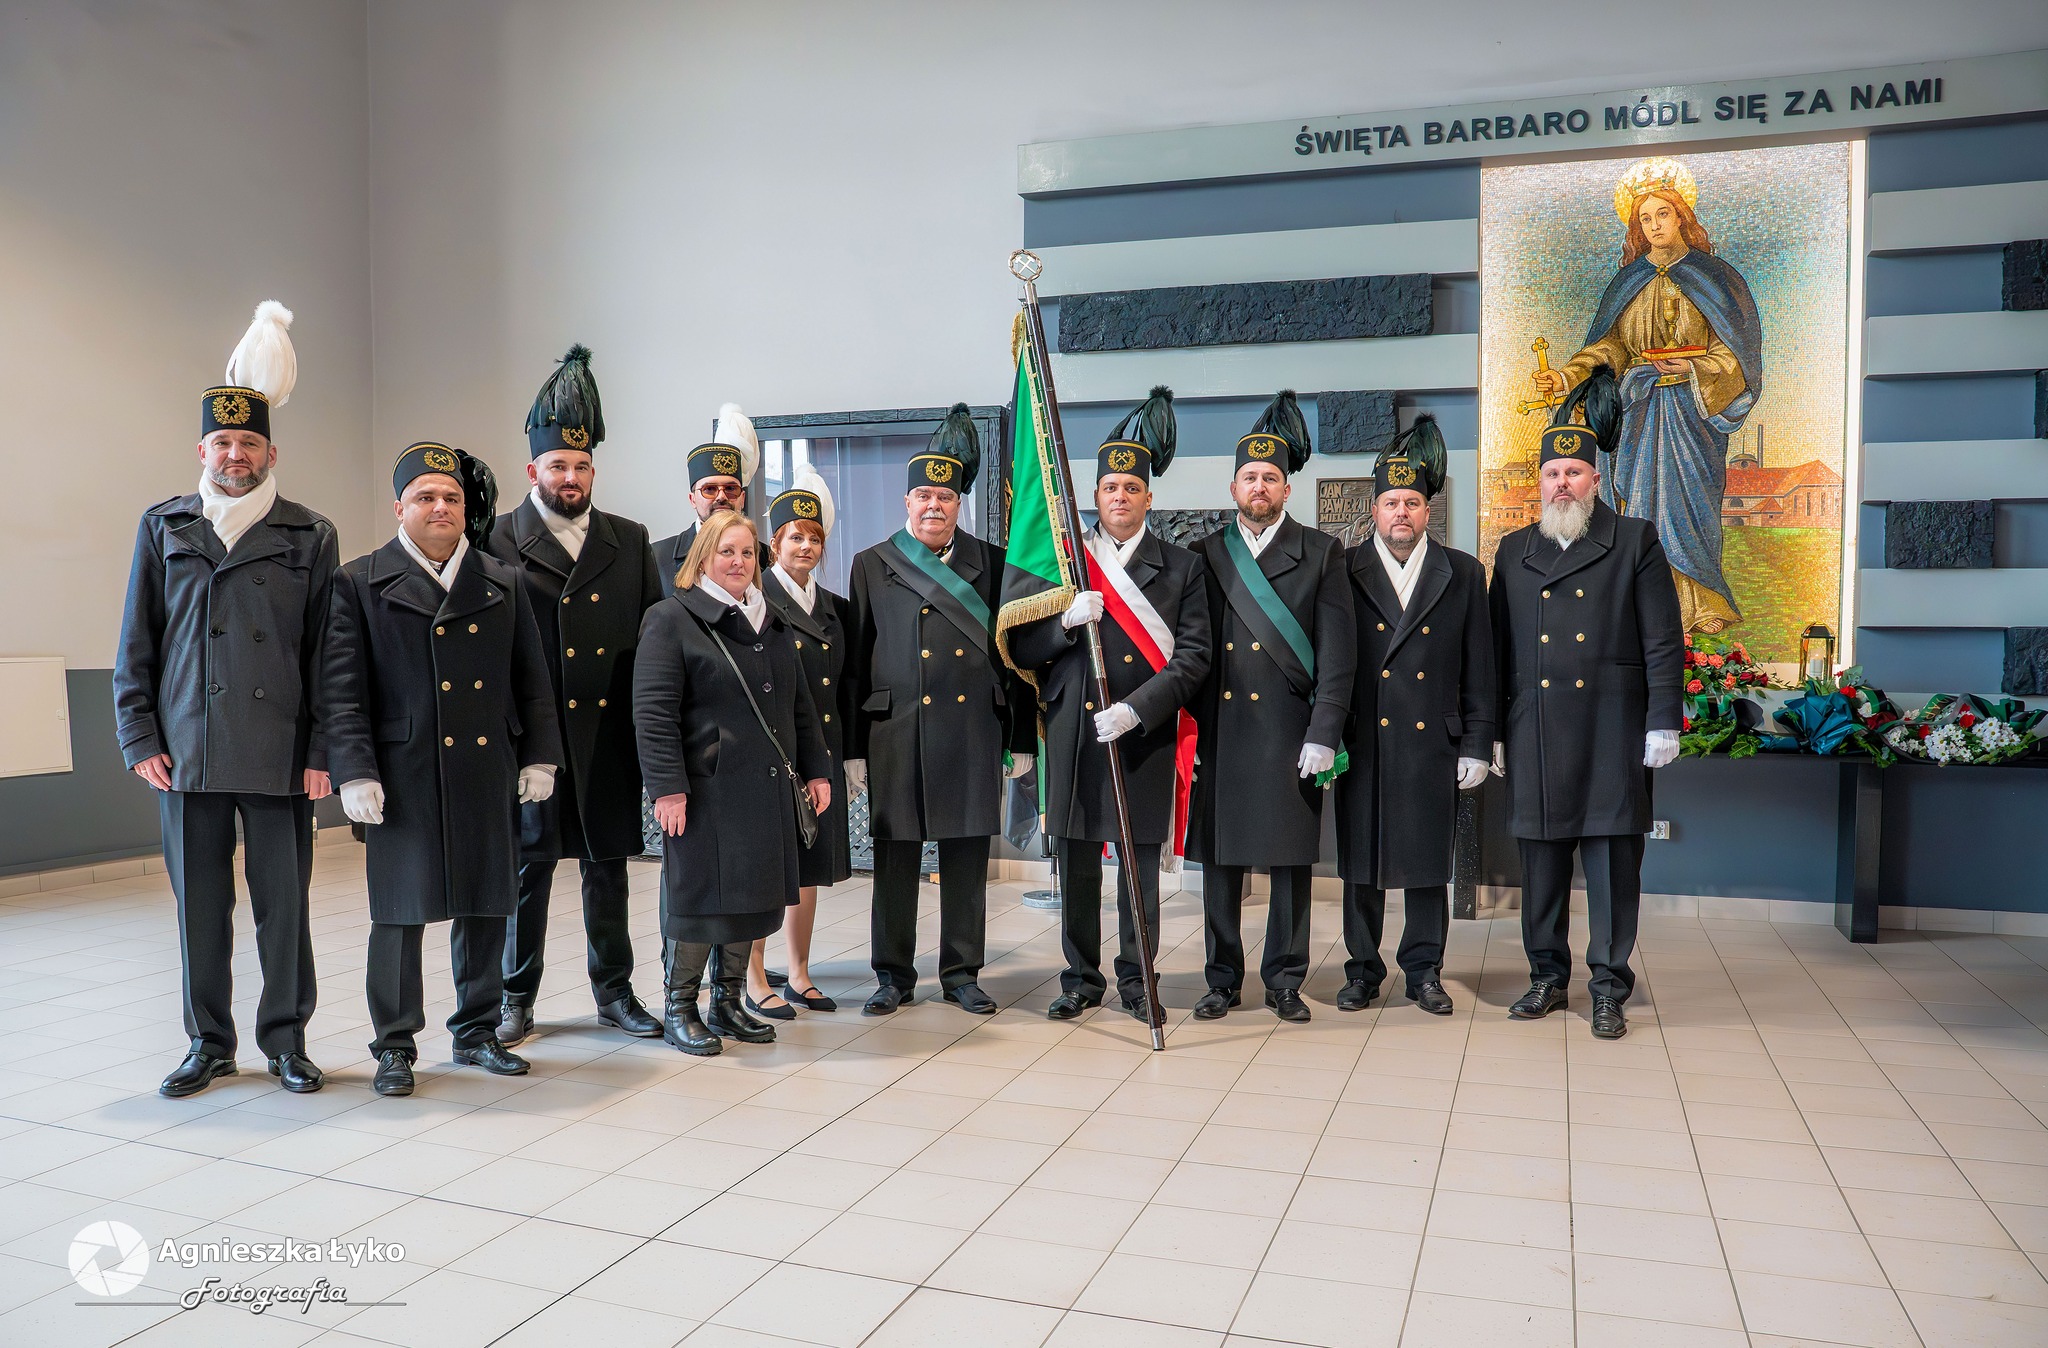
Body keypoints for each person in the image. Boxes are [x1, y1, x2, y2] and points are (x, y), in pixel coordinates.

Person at [115, 302, 336, 1098]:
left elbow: (329, 654)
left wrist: (324, 751)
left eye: (249, 443)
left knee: (284, 910)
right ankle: (208, 1044)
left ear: (271, 452)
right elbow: (136, 639)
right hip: (187, 749)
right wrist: (139, 736)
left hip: (281, 751)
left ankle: (286, 1042)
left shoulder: (310, 534)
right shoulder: (162, 525)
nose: (235, 455)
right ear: (202, 450)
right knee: (199, 910)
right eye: (223, 442)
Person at [325, 443, 563, 1095]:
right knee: (399, 913)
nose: (440, 507)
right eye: (425, 496)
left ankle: (477, 1030)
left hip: (485, 768)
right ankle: (394, 1044)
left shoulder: (503, 580)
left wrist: (540, 755)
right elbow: (342, 689)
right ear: (398, 507)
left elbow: (532, 679)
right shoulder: (358, 581)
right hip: (400, 774)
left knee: (486, 904)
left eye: (451, 497)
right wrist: (354, 771)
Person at [1489, 371, 1684, 1040]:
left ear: (1596, 479)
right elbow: (1495, 651)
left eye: (1574, 472)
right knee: (1540, 867)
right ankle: (1547, 978)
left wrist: (1663, 720)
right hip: (1536, 728)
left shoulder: (1634, 540)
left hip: (1611, 729)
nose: (1563, 483)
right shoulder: (1513, 551)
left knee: (1611, 867)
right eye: (1552, 473)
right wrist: (1491, 731)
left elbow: (1663, 640)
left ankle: (1608, 987)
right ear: (1539, 483)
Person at [1006, 388, 1210, 1023]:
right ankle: (1080, 979)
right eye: (1109, 487)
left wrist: (1138, 710)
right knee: (1076, 862)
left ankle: (1137, 979)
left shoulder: (1181, 567)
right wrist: (1064, 621)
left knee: (1137, 868)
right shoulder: (1065, 563)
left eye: (1131, 487)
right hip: (1073, 728)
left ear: (1149, 497)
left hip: (1142, 733)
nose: (1119, 497)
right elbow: (1021, 647)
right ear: (1095, 496)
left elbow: (1194, 657)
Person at [487, 346, 663, 1046]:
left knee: (608, 869)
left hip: (607, 739)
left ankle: (614, 992)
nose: (570, 476)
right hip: (531, 739)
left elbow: (652, 646)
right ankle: (514, 997)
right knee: (526, 873)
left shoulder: (629, 539)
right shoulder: (496, 539)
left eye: (581, 465)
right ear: (533, 469)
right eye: (557, 464)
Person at [845, 404, 1035, 1016]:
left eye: (945, 497)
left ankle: (961, 973)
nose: (934, 506)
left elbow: (1015, 656)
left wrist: (1021, 738)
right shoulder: (873, 563)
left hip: (971, 729)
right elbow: (856, 661)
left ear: (959, 503)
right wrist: (852, 747)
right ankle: (892, 975)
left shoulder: (994, 562)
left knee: (965, 858)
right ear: (907, 502)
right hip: (895, 731)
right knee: (895, 860)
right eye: (923, 496)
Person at [1528, 157, 1763, 636]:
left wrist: (1694, 368)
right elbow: (1610, 348)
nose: (1655, 225)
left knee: (1689, 503)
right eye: (1645, 218)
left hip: (1691, 411)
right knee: (1638, 505)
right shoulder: (1629, 281)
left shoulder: (1715, 278)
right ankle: (1639, 601)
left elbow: (1736, 354)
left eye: (1663, 214)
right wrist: (1566, 377)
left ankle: (1700, 602)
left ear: (1681, 217)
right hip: (1638, 412)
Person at [1186, 391, 1356, 1023]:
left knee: (1289, 862)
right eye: (1250, 477)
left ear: (1287, 488)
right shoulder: (1205, 555)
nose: (1259, 487)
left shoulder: (1321, 552)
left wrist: (1324, 731)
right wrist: (1188, 735)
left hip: (1290, 731)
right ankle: (1222, 979)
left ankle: (1285, 979)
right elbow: (1191, 654)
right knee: (1220, 862)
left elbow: (1338, 656)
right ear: (1234, 487)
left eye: (1270, 478)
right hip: (1223, 731)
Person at [633, 512, 831, 1055]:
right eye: (726, 552)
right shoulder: (671, 619)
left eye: (747, 552)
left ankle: (727, 1003)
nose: (738, 562)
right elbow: (653, 714)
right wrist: (667, 787)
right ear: (703, 558)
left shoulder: (772, 621)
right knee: (698, 899)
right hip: (704, 792)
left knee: (751, 896)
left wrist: (816, 769)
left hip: (765, 789)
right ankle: (680, 1008)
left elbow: (800, 705)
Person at [1332, 417, 1495, 1016]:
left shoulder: (1463, 571)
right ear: (1374, 510)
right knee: (1361, 863)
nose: (1401, 513)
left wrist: (1477, 743)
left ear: (1429, 510)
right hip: (1364, 739)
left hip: (1434, 741)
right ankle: (1362, 970)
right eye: (1391, 503)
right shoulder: (1343, 569)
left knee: (1428, 863)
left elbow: (1480, 667)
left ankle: (1424, 970)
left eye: (1412, 503)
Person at [752, 472, 853, 1016]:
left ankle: (798, 973)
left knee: (809, 866)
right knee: (768, 867)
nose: (806, 546)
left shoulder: (833, 606)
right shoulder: (754, 599)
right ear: (775, 544)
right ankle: (752, 978)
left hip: (821, 752)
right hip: (774, 751)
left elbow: (846, 685)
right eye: (795, 536)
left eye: (815, 538)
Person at [652, 404, 764, 598]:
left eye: (730, 489)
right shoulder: (658, 556)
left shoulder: (765, 558)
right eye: (709, 490)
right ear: (692, 499)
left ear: (742, 498)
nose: (721, 497)